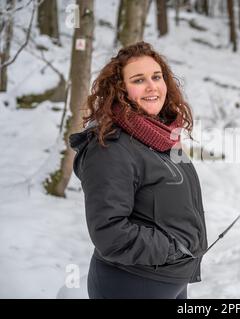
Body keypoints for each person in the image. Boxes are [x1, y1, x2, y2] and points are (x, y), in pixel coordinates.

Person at [69, 42, 208, 299]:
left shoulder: (162, 137)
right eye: (138, 80)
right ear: (121, 90)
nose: (152, 86)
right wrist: (173, 249)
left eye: (157, 77)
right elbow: (110, 233)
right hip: (132, 283)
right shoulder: (110, 148)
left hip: (170, 279)